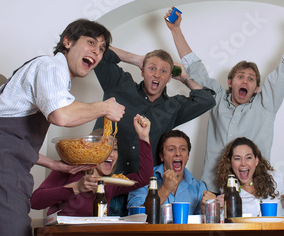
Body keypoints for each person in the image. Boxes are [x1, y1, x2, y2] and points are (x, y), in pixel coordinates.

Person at [0, 19, 125, 236]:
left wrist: (54, 164)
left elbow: (10, 137)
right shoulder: (51, 66)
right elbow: (60, 115)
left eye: (101, 48)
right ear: (67, 41)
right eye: (91, 42)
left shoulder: (51, 73)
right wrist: (104, 107)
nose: (97, 52)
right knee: (9, 229)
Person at [165, 7, 284, 191]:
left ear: (257, 88)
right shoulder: (216, 99)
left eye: (251, 79)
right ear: (230, 82)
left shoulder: (265, 104)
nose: (245, 80)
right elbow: (195, 68)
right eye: (240, 76)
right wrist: (175, 30)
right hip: (213, 189)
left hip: (253, 189)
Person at [92, 46, 216, 215]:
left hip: (141, 192)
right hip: (103, 186)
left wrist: (185, 78)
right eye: (152, 68)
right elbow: (99, 50)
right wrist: (136, 59)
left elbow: (207, 100)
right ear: (142, 71)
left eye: (164, 71)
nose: (157, 75)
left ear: (170, 77)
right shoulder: (119, 84)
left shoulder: (174, 106)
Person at [30, 114, 153, 216]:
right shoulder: (69, 169)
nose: (110, 154)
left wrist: (143, 136)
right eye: (104, 149)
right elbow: (35, 201)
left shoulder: (110, 183)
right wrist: (76, 187)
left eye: (114, 149)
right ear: (91, 152)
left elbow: (145, 177)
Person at [203, 137, 284, 217]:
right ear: (230, 163)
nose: (243, 163)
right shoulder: (228, 190)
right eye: (237, 158)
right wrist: (218, 209)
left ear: (256, 161)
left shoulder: (275, 178)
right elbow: (227, 224)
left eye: (248, 158)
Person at [127, 130, 206, 215]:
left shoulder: (199, 188)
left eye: (182, 149)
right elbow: (135, 217)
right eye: (171, 149)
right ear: (161, 156)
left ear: (188, 156)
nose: (178, 153)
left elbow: (202, 225)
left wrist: (208, 208)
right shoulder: (143, 180)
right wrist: (165, 189)